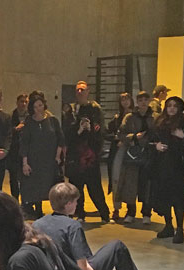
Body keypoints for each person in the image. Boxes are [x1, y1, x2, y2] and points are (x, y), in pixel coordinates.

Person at [33, 182, 173, 270]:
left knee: (83, 252)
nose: (77, 204)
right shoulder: (72, 226)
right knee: (117, 247)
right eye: (76, 201)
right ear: (68, 204)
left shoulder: (37, 224)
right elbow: (84, 268)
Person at [64, 80, 111, 223]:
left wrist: (90, 130)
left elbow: (100, 130)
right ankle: (80, 214)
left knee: (94, 187)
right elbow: (67, 132)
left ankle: (104, 214)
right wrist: (78, 130)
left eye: (82, 90)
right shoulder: (70, 110)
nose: (80, 92)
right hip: (75, 155)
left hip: (90, 155)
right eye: (77, 90)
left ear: (88, 91)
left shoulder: (95, 108)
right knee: (76, 188)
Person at [149, 96, 184, 243]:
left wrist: (183, 137)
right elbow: (151, 139)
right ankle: (168, 225)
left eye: (175, 106)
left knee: (178, 198)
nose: (172, 108)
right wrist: (156, 146)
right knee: (164, 197)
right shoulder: (160, 123)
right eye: (169, 106)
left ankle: (179, 229)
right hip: (162, 165)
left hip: (177, 166)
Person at [19, 91, 64, 219]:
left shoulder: (52, 121)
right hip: (34, 160)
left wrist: (57, 156)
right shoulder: (29, 122)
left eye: (40, 105)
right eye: (35, 106)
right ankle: (37, 211)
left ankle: (58, 212)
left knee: (52, 187)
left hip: (49, 160)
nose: (38, 109)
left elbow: (60, 139)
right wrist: (25, 163)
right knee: (35, 187)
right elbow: (25, 143)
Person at [116, 91, 158, 224]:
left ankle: (147, 213)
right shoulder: (129, 117)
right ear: (137, 102)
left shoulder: (155, 117)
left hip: (149, 154)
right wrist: (133, 138)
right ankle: (131, 211)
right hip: (132, 154)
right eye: (141, 100)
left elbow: (159, 133)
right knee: (131, 183)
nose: (143, 102)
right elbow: (121, 133)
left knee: (147, 184)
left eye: (146, 100)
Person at [106, 92, 134, 221]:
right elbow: (109, 133)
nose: (125, 102)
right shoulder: (117, 118)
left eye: (127, 99)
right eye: (122, 99)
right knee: (116, 178)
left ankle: (130, 209)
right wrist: (117, 139)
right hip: (117, 150)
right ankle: (116, 208)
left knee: (129, 180)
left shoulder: (135, 117)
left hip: (131, 152)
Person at [8, 93, 29, 206]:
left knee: (26, 179)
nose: (24, 104)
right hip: (14, 152)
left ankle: (26, 203)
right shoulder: (11, 116)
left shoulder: (30, 116)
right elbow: (7, 132)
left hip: (27, 152)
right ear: (17, 102)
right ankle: (15, 202)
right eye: (22, 101)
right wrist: (16, 129)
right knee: (14, 178)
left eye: (26, 102)